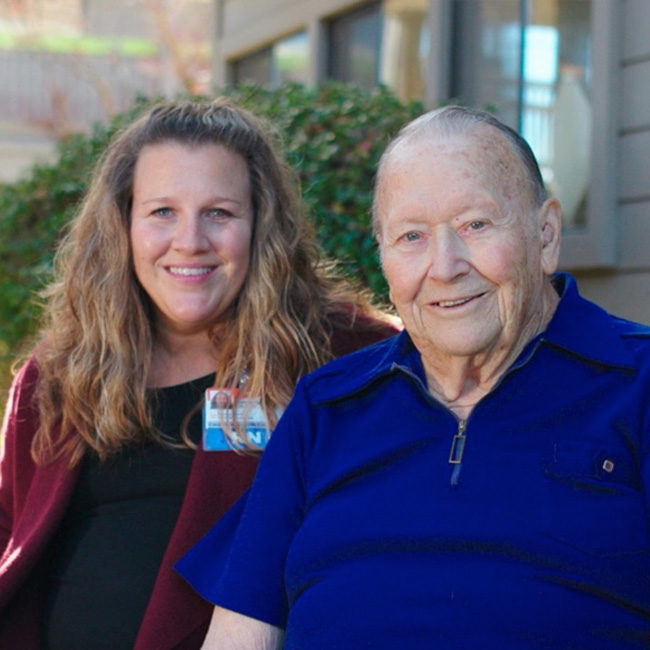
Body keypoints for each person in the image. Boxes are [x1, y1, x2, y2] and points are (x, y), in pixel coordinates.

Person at [179, 105, 650, 649]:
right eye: (411, 237)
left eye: (475, 224)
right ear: (381, 255)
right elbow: (241, 633)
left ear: (544, 235)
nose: (445, 265)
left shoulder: (635, 384)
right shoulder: (327, 407)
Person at [0, 99, 397, 649]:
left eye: (220, 213)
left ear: (261, 224)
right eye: (162, 211)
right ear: (123, 223)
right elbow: (12, 533)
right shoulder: (56, 377)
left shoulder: (345, 357)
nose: (190, 241)